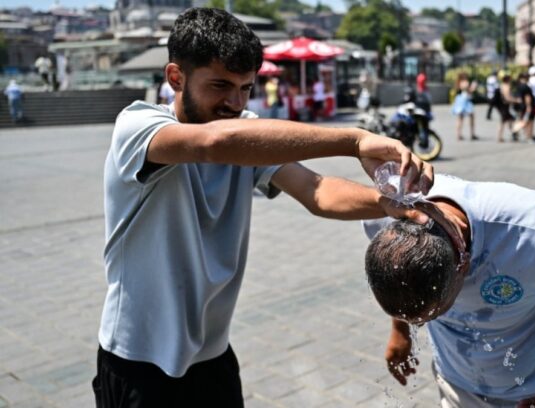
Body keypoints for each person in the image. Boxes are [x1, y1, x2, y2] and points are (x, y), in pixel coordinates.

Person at [92, 8, 434, 408]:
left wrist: (391, 205)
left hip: (213, 357)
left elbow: (316, 188)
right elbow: (214, 143)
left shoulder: (246, 132)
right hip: (138, 361)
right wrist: (354, 140)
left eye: (245, 88)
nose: (234, 102)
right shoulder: (138, 126)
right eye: (220, 85)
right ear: (176, 78)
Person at [362, 174, 535, 408]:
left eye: (430, 315)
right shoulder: (390, 211)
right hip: (459, 388)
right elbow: (401, 276)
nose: (420, 324)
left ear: (464, 265)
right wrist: (400, 331)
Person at [512, 72, 535, 143]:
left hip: (521, 106)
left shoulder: (518, 86)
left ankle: (515, 131)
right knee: (529, 122)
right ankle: (528, 136)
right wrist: (529, 106)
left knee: (523, 120)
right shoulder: (526, 87)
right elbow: (527, 97)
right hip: (526, 106)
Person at [452, 72, 479, 141]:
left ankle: (459, 134)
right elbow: (469, 91)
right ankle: (472, 134)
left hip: (460, 100)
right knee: (470, 117)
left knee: (460, 119)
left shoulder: (459, 82)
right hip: (465, 101)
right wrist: (473, 87)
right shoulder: (464, 82)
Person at [495, 74, 516, 142]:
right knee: (503, 122)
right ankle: (500, 137)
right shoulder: (506, 86)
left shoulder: (501, 85)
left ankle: (513, 133)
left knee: (510, 120)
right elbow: (507, 98)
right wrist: (516, 100)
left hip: (502, 106)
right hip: (505, 106)